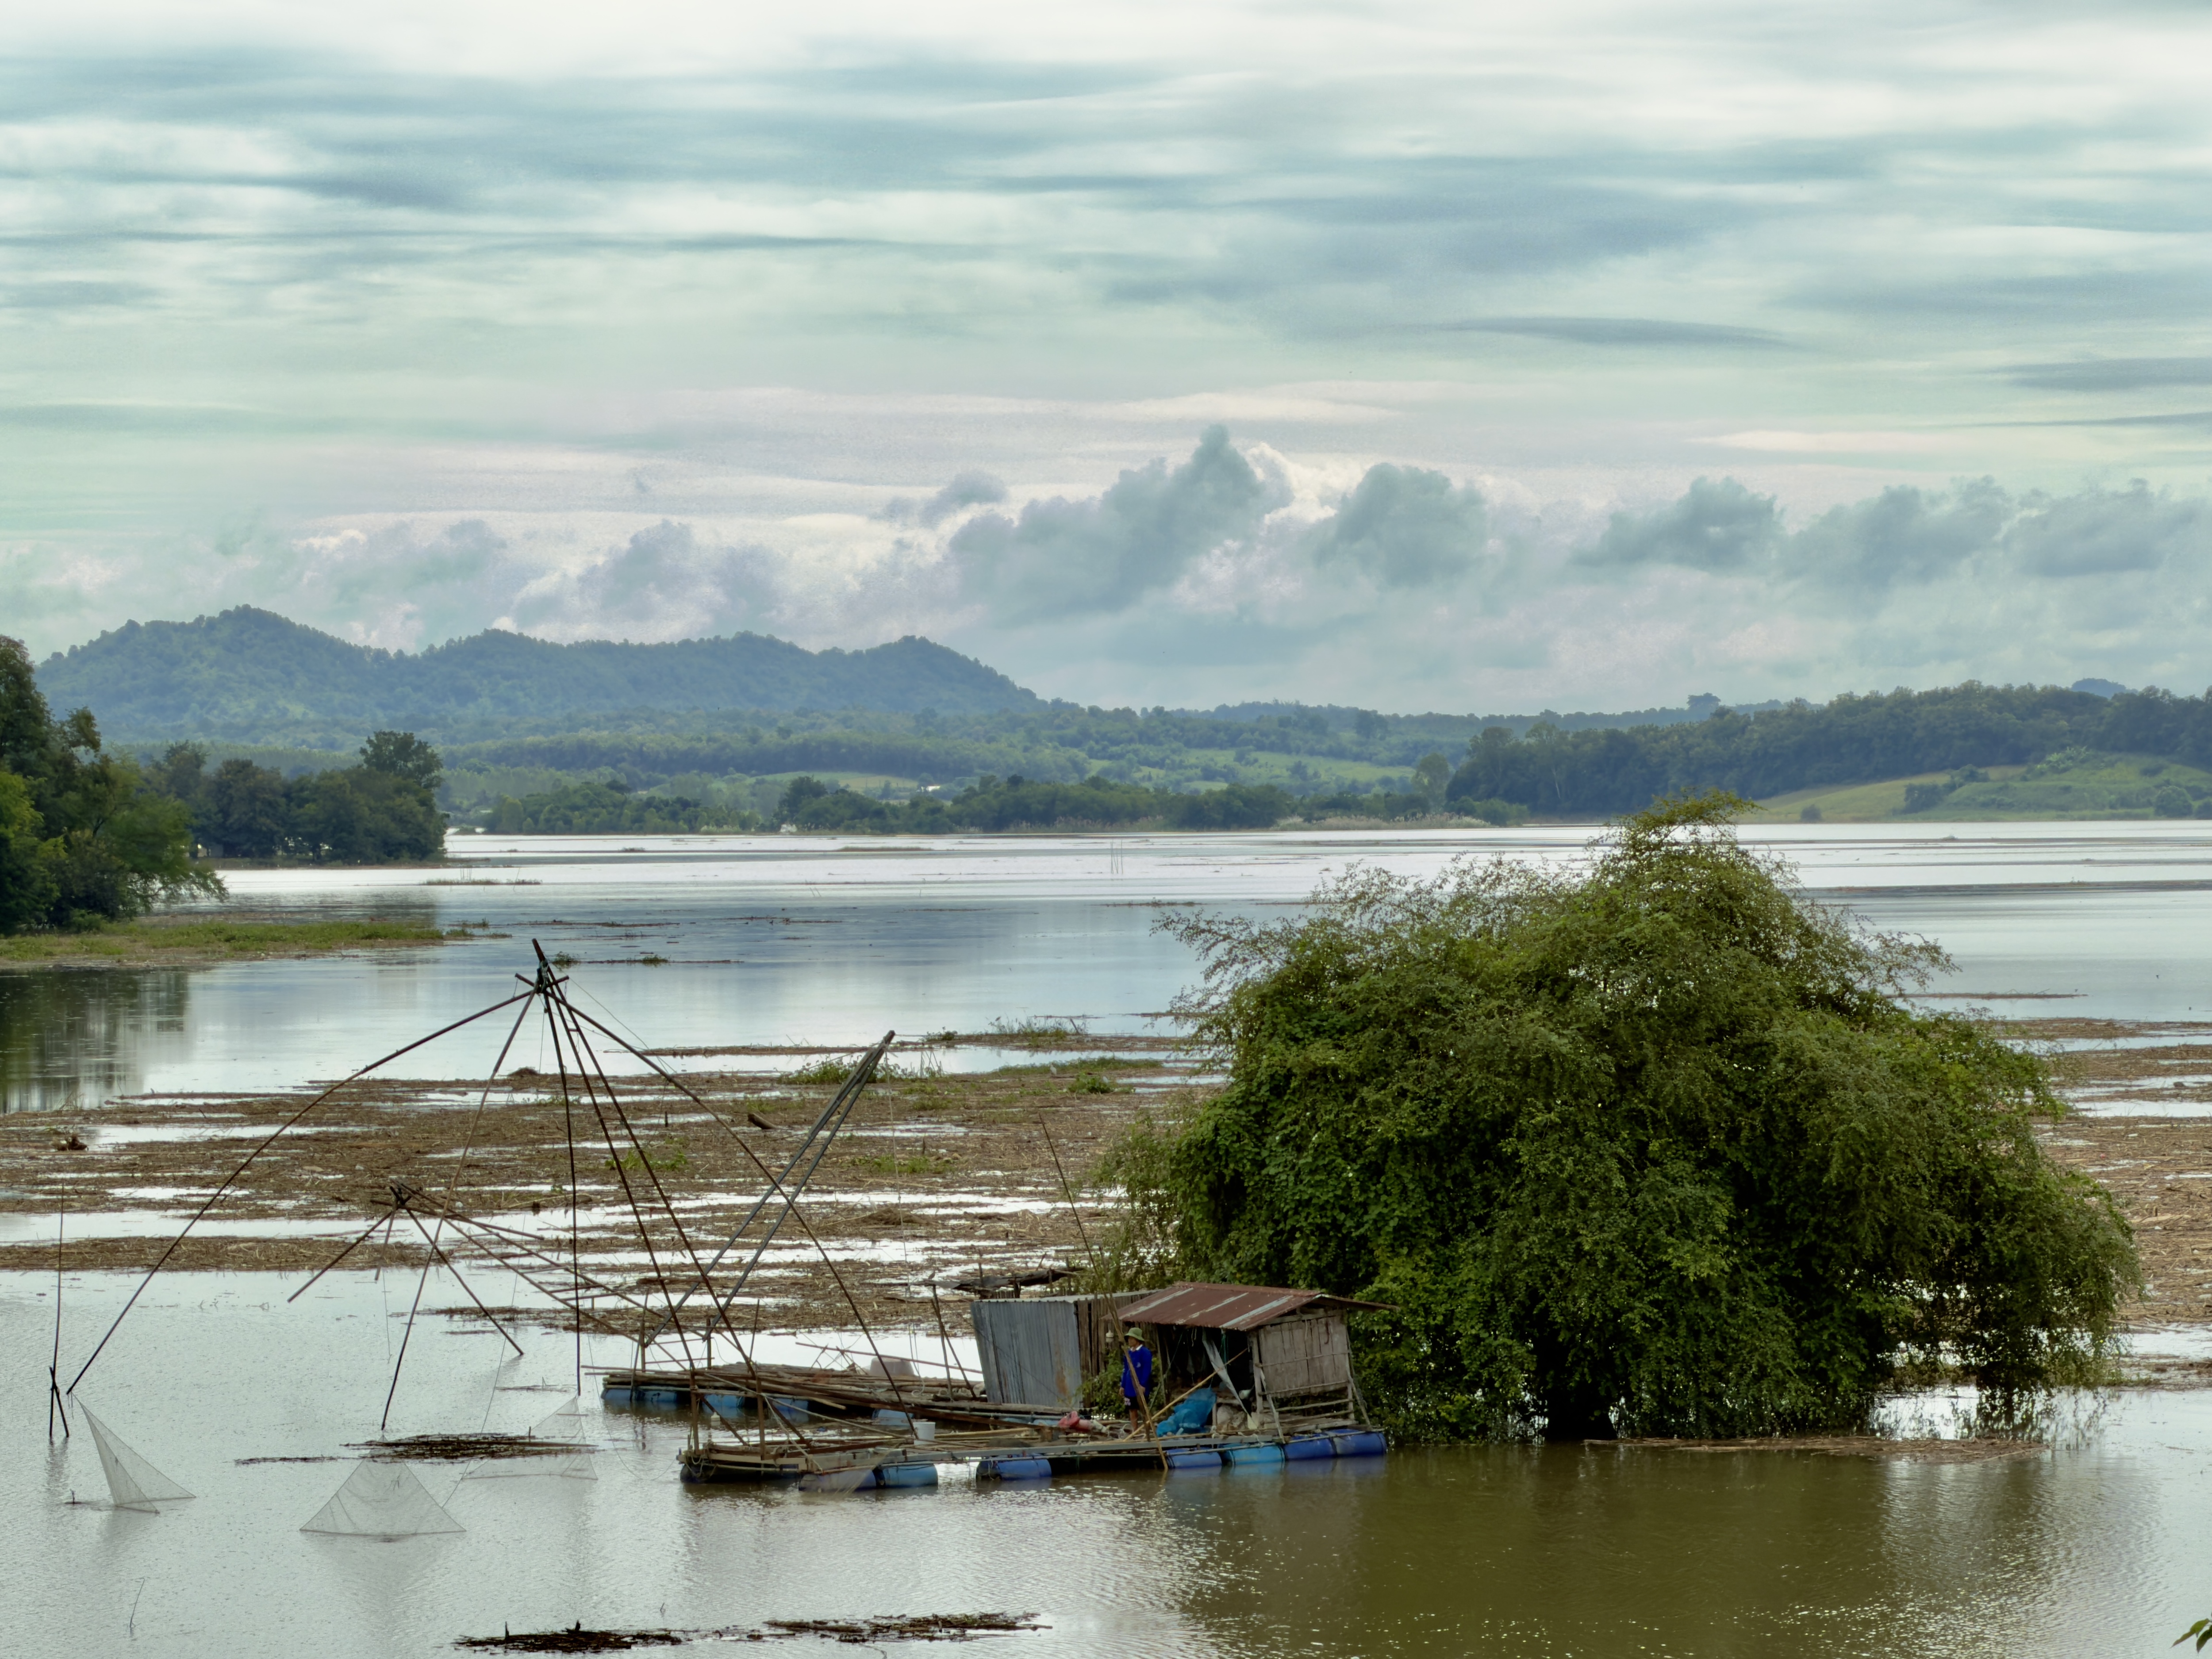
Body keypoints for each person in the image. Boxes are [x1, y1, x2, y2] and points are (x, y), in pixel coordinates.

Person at [1120, 1328, 1153, 1435]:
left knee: (1143, 1409)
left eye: (1131, 1338)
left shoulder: (1145, 1353)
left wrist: (1143, 1385)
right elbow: (1125, 1370)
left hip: (1140, 1385)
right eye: (1129, 1339)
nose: (1129, 1341)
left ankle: (1148, 1430)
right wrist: (1123, 1385)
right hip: (1129, 1386)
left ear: (1137, 1340)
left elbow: (1147, 1370)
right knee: (1132, 1409)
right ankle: (1135, 1431)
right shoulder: (1128, 1353)